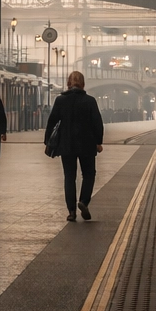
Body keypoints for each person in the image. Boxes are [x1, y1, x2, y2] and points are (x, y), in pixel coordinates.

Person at [45, 70, 104, 223]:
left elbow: (52, 122)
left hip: (66, 144)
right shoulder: (90, 101)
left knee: (69, 177)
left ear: (68, 83)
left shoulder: (60, 100)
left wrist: (47, 142)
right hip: (87, 144)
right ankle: (83, 202)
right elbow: (97, 123)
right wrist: (99, 142)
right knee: (89, 174)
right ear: (83, 84)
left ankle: (71, 211)